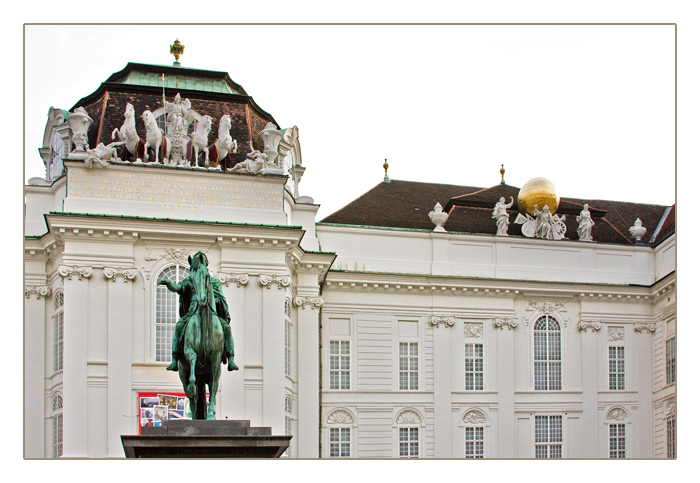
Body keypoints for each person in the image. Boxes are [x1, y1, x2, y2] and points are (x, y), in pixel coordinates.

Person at [157, 252, 238, 372]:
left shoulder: (214, 282)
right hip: (193, 312)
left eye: (201, 261)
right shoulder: (190, 280)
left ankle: (231, 359)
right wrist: (169, 284)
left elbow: (221, 298)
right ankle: (174, 360)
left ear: (206, 264)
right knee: (179, 327)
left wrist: (215, 300)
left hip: (210, 310)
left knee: (226, 328)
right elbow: (178, 288)